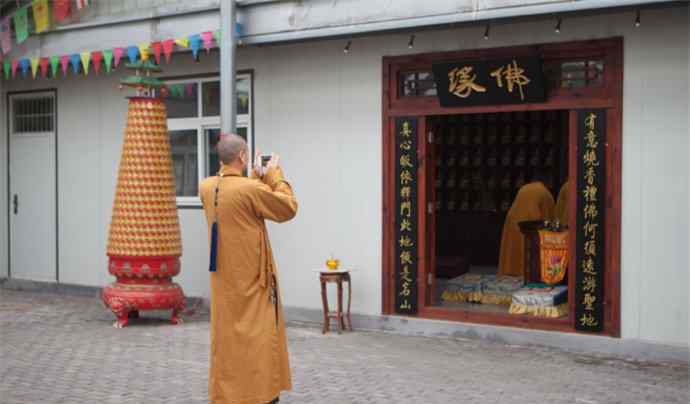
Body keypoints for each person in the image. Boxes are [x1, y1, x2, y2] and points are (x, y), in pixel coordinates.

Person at [199, 134, 298, 404]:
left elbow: (238, 197)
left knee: (228, 343)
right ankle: (261, 396)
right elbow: (288, 207)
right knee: (259, 342)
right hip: (254, 283)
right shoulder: (249, 190)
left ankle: (228, 397)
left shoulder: (206, 187)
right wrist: (274, 175)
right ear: (242, 156)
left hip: (225, 284)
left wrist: (254, 178)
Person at [497, 173, 555, 277]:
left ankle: (510, 271)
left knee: (512, 248)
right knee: (526, 250)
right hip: (530, 223)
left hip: (512, 219)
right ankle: (525, 273)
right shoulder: (545, 193)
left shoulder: (525, 187)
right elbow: (549, 218)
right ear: (547, 183)